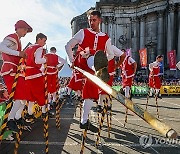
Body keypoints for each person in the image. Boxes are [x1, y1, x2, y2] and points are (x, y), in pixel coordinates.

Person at [65, 10, 114, 132]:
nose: (91, 23)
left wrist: (105, 59)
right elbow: (68, 45)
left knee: (90, 94)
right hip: (83, 61)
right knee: (91, 54)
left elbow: (111, 55)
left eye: (94, 20)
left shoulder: (106, 37)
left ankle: (84, 121)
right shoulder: (83, 32)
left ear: (99, 20)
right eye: (90, 20)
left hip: (92, 70)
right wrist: (72, 61)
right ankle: (99, 69)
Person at [0, 20, 32, 131]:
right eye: (24, 29)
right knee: (20, 95)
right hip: (10, 70)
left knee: (24, 96)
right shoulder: (13, 37)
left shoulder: (17, 40)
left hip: (15, 71)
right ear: (18, 28)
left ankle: (17, 117)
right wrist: (19, 54)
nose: (25, 32)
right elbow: (1, 47)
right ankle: (10, 119)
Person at [24, 33, 48, 121]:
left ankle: (29, 114)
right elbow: (38, 61)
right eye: (44, 40)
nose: (45, 43)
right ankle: (44, 111)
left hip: (27, 74)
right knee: (40, 93)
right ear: (39, 39)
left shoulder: (28, 48)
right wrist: (45, 60)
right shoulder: (39, 47)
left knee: (31, 96)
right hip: (35, 73)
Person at [97, 45, 126, 112]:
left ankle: (103, 105)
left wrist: (117, 65)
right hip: (101, 71)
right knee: (102, 88)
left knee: (106, 88)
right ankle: (103, 104)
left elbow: (123, 55)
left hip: (109, 71)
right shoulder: (98, 46)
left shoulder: (112, 47)